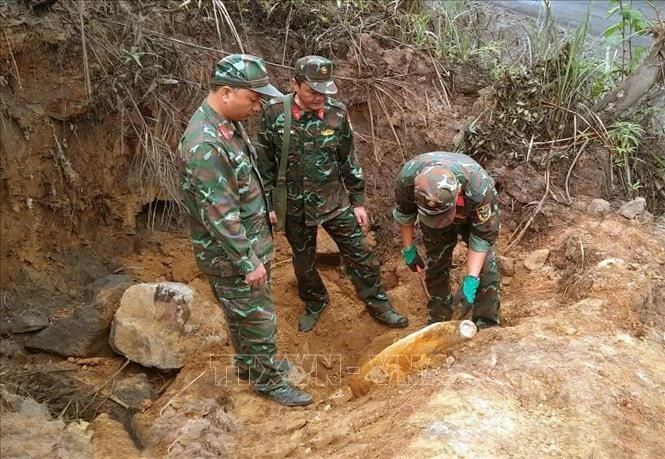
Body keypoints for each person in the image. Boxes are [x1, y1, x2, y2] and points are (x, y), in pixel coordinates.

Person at [178, 54, 312, 406]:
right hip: (232, 255)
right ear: (226, 92)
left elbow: (243, 178)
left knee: (242, 316)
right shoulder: (205, 144)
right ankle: (267, 381)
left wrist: (264, 210)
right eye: (253, 99)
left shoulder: (225, 123)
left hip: (248, 241)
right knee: (258, 320)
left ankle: (251, 364)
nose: (257, 108)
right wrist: (247, 259)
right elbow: (219, 213)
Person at [256, 55, 408, 332]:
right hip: (293, 205)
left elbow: (347, 159)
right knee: (304, 263)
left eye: (325, 90)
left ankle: (379, 304)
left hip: (334, 201)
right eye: (313, 91)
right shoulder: (275, 113)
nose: (319, 97)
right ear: (295, 84)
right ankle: (315, 301)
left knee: (360, 253)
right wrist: (268, 204)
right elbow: (264, 163)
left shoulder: (336, 112)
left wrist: (358, 201)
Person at [393, 152, 501, 328]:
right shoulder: (407, 179)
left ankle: (485, 322)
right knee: (436, 263)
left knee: (487, 267)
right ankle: (439, 316)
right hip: (430, 217)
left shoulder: (479, 186)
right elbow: (405, 214)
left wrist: (471, 279)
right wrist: (408, 248)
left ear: (458, 190)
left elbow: (482, 237)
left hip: (470, 215)